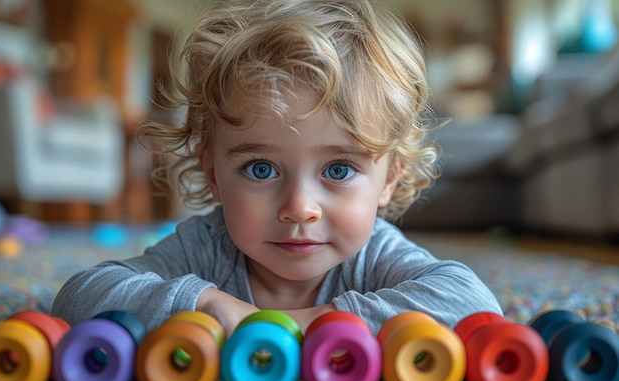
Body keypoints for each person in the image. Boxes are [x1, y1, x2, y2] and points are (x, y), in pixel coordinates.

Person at [51, 0, 502, 336]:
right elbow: (80, 295)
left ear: (389, 178)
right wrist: (207, 304)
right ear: (212, 172)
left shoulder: (374, 257)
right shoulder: (209, 248)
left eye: (339, 170)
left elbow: (474, 303)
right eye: (261, 169)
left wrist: (316, 322)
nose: (299, 208)